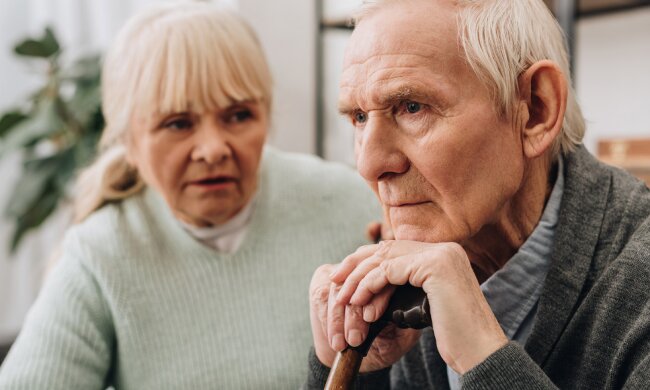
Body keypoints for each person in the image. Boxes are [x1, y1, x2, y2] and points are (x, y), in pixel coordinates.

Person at [0, 3, 382, 389]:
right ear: (129, 141)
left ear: (266, 117)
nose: (213, 148)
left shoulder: (349, 203)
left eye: (238, 116)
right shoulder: (100, 252)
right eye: (178, 123)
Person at [307, 0, 650, 388]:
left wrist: (484, 357)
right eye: (359, 117)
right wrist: (356, 369)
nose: (369, 165)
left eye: (412, 107)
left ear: (535, 110)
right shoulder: (409, 264)